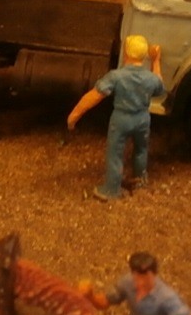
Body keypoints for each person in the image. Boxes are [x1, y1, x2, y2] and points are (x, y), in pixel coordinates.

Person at [67, 33, 164, 201]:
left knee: (115, 153)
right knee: (141, 149)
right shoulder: (150, 78)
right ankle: (140, 179)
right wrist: (156, 61)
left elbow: (94, 96)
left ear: (126, 53)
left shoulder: (116, 76)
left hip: (121, 119)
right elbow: (159, 86)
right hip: (142, 118)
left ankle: (112, 189)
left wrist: (74, 115)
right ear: (144, 56)